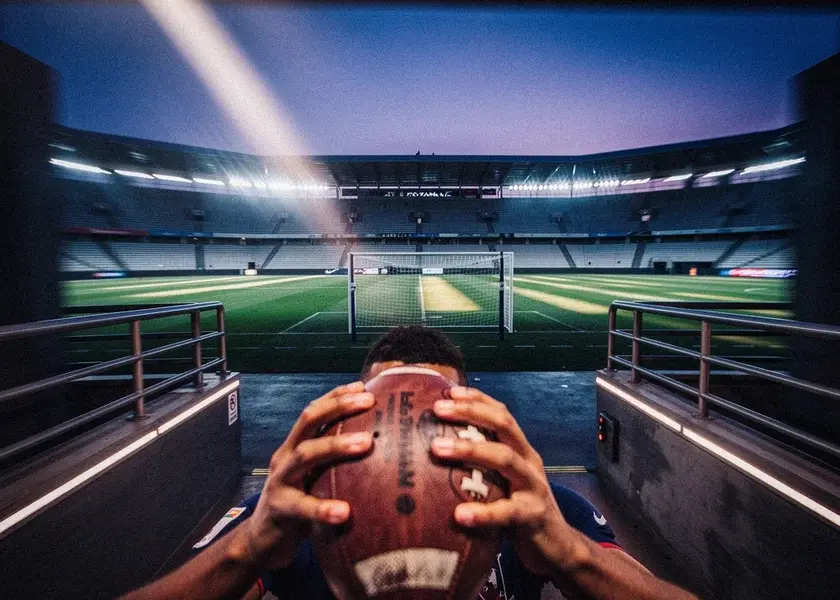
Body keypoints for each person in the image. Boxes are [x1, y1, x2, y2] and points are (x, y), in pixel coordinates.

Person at [122, 326, 698, 600]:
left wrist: (573, 555)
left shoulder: (539, 510)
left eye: (437, 414)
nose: (411, 437)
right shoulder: (283, 513)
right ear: (351, 416)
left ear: (479, 420)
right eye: (390, 414)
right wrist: (245, 549)